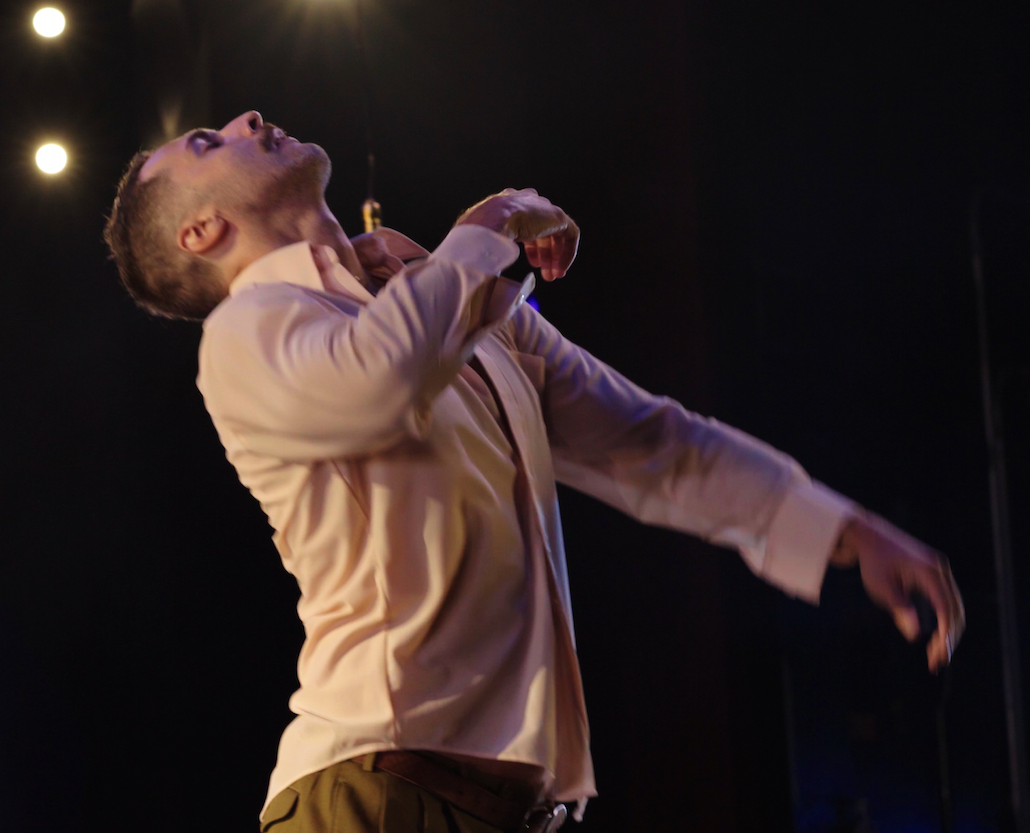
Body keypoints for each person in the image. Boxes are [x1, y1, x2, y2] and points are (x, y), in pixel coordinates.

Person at [101, 110, 965, 833]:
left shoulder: (448, 302)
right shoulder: (248, 333)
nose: (247, 119)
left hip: (496, 806)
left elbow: (649, 442)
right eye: (210, 144)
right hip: (372, 792)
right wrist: (487, 227)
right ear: (201, 232)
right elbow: (380, 379)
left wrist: (844, 528)